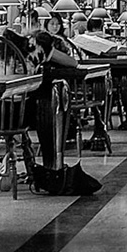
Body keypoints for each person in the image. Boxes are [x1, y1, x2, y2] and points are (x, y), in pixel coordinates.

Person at [27, 28, 87, 165]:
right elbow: (73, 63)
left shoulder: (8, 47)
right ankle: (52, 163)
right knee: (52, 99)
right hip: (28, 112)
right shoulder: (39, 48)